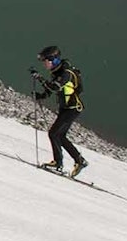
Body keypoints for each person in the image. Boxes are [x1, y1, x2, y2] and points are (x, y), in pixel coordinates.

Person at [32, 45, 89, 177]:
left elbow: (54, 88)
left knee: (54, 133)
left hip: (73, 108)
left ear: (54, 60)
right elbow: (49, 92)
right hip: (67, 108)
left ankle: (58, 163)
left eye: (46, 61)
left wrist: (40, 78)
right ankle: (79, 161)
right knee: (59, 135)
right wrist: (40, 95)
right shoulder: (57, 72)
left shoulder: (66, 73)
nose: (44, 64)